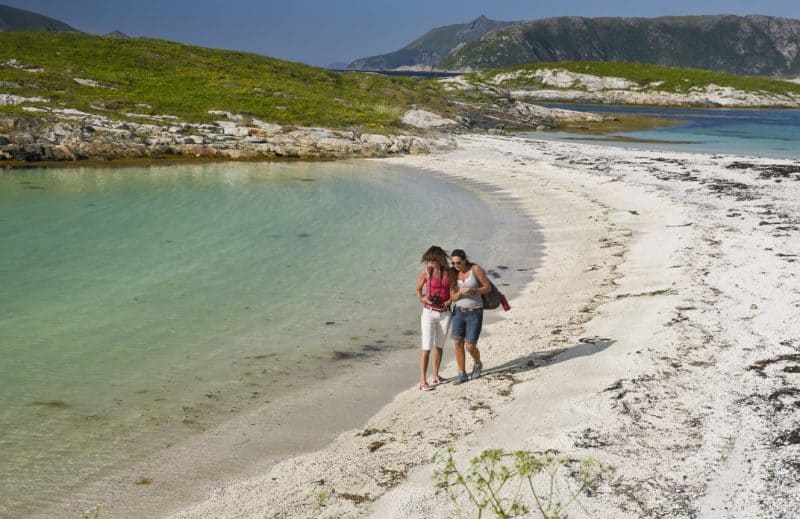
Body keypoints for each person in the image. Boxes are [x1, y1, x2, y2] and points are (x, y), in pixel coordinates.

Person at [415, 246, 455, 391]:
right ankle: (422, 381)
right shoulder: (426, 272)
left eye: (433, 260)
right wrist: (422, 299)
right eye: (429, 260)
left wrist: (450, 301)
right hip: (429, 313)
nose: (431, 262)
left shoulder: (449, 273)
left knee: (439, 345)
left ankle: (436, 375)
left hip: (445, 313)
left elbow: (453, 290)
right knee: (426, 347)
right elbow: (418, 290)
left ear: (440, 258)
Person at [449, 249, 491, 385]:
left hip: (475, 311)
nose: (456, 265)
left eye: (459, 262)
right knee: (457, 343)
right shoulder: (453, 273)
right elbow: (453, 297)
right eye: (453, 263)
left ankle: (478, 364)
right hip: (458, 312)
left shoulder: (476, 269)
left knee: (470, 346)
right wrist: (459, 294)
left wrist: (474, 291)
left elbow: (487, 287)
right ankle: (462, 373)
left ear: (465, 259)